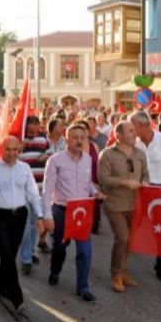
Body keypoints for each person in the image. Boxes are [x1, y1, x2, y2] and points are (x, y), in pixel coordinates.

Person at [0, 135, 45, 312]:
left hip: (19, 217)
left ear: (19, 150)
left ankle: (0, 286)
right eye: (8, 149)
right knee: (6, 254)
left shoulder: (24, 168)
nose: (12, 153)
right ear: (2, 149)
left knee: (8, 256)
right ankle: (17, 296)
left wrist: (40, 215)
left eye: (15, 150)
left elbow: (33, 194)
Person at [42, 124, 100, 302]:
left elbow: (87, 183)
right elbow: (47, 189)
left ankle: (82, 287)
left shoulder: (87, 159)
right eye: (75, 137)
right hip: (60, 210)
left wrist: (96, 192)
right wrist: (47, 216)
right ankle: (55, 271)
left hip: (82, 211)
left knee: (85, 251)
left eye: (82, 138)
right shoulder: (55, 160)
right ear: (66, 140)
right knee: (59, 249)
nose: (79, 141)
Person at [98, 121, 149, 292]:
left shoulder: (140, 153)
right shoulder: (107, 155)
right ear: (118, 135)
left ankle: (123, 271)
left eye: (135, 130)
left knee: (130, 241)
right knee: (123, 238)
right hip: (115, 205)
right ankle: (115, 275)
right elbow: (103, 179)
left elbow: (145, 174)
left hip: (135, 204)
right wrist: (124, 182)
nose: (135, 133)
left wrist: (146, 183)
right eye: (130, 131)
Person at [130, 111, 161, 283]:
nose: (131, 130)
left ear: (142, 126)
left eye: (133, 126)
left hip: (160, 189)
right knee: (132, 227)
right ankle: (123, 264)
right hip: (140, 190)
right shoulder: (133, 144)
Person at [18, 115, 50, 272]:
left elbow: (52, 151)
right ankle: (25, 259)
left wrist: (47, 156)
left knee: (34, 223)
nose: (32, 135)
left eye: (34, 131)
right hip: (24, 189)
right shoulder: (18, 138)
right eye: (29, 132)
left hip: (40, 186)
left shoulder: (44, 137)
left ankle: (29, 252)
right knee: (26, 224)